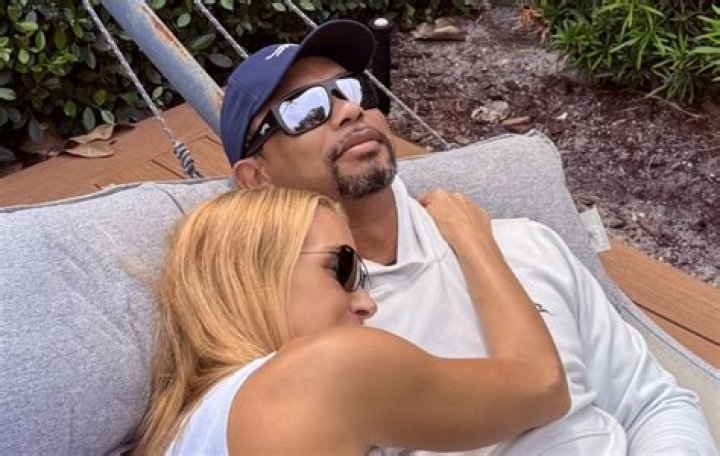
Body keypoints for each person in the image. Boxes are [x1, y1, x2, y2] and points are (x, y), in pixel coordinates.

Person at [218, 19, 717, 455]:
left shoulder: (523, 245)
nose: (349, 111)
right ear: (256, 178)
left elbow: (652, 403)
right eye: (304, 110)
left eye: (352, 89)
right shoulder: (299, 329)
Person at [135, 187, 569, 454]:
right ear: (251, 274)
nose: (366, 303)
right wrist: (472, 237)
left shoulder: (187, 432)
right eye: (342, 268)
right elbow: (543, 385)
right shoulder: (323, 371)